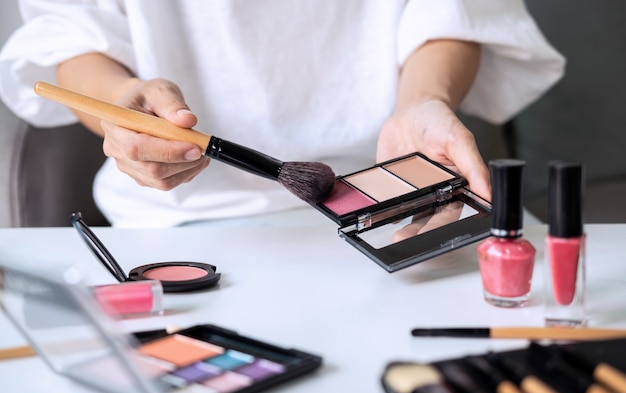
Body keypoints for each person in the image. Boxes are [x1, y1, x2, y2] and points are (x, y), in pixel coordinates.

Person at [0, 1, 564, 228]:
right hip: (179, 220)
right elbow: (71, 34)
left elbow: (453, 9)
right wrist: (122, 105)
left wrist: (423, 100)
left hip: (396, 193)